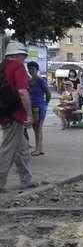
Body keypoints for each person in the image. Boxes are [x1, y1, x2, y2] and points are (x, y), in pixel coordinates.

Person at [0, 41, 35, 192]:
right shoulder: (17, 67)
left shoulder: (2, 67)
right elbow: (23, 92)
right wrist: (29, 114)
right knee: (8, 149)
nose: (24, 59)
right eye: (23, 56)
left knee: (22, 149)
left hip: (5, 113)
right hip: (15, 114)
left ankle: (26, 180)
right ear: (16, 55)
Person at [27, 61, 51, 157]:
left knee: (38, 128)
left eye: (32, 69)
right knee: (35, 128)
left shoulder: (40, 80)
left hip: (39, 107)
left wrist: (45, 104)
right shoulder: (28, 80)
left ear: (37, 70)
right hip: (32, 107)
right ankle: (39, 148)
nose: (30, 71)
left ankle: (38, 149)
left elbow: (48, 93)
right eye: (29, 69)